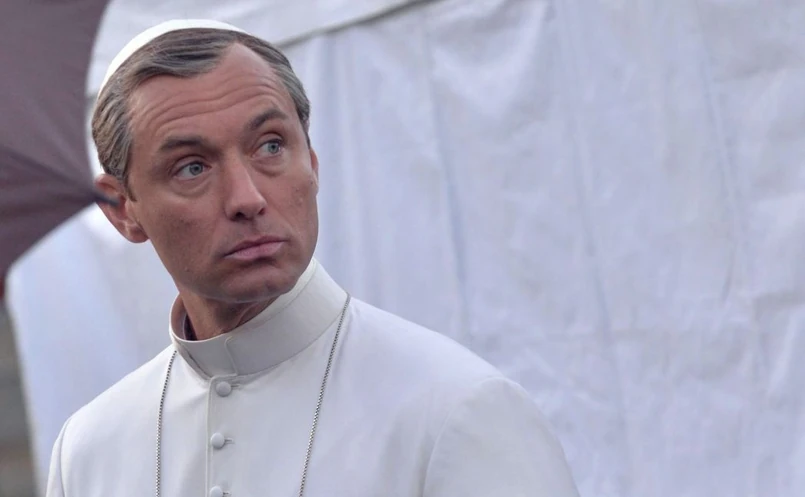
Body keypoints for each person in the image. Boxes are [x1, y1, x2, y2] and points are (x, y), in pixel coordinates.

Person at [45, 19, 580, 497]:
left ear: (313, 163)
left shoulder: (457, 409)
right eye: (192, 167)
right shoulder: (87, 452)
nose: (247, 198)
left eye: (271, 146)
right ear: (122, 209)